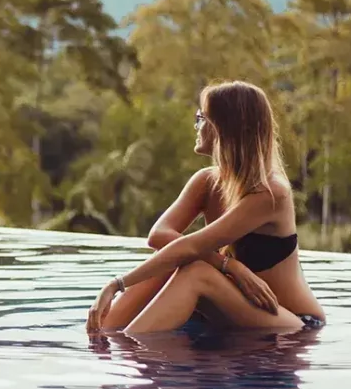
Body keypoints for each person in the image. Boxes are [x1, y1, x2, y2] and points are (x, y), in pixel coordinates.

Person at [85, 80, 325, 335]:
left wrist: (116, 284)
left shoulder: (271, 193)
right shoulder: (206, 182)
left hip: (294, 322)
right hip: (235, 306)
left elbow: (188, 247)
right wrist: (230, 266)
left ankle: (129, 350)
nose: (196, 126)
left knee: (196, 270)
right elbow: (159, 236)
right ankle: (104, 335)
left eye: (201, 118)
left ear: (225, 128)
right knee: (175, 262)